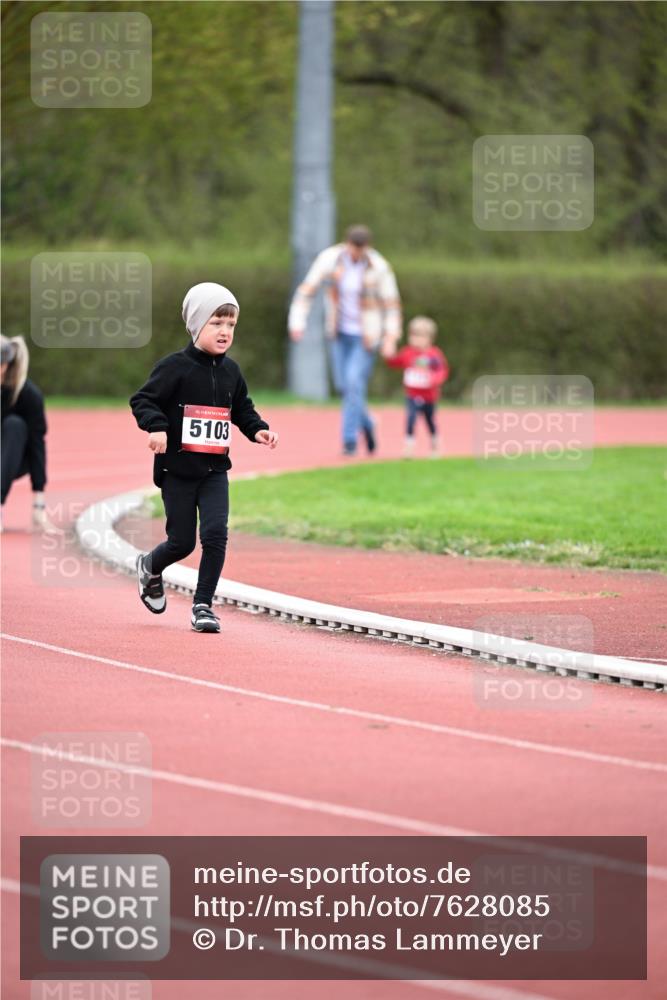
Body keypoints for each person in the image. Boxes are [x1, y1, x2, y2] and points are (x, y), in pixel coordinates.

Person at [129, 283, 279, 634]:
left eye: (231, 325)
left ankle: (203, 605)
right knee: (182, 542)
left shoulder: (231, 372)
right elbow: (143, 400)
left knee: (215, 535)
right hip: (177, 470)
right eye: (216, 323)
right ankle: (150, 566)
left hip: (214, 471)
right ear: (197, 324)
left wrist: (258, 429)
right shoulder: (174, 367)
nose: (225, 331)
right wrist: (157, 427)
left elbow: (241, 409)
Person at [288, 224, 402, 456]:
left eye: (361, 249)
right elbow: (307, 290)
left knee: (353, 383)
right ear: (346, 243)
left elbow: (391, 304)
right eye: (353, 248)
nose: (357, 253)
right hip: (338, 333)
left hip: (366, 336)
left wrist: (390, 337)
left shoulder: (379, 267)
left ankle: (349, 441)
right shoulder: (329, 259)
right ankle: (368, 423)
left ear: (368, 247)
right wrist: (297, 322)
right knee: (344, 387)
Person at [1, 334, 59, 533]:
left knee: (15, 425)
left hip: (12, 458)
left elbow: (37, 445)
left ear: (6, 365)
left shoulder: (28, 395)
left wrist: (39, 506)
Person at [383, 316, 449, 457]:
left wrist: (434, 379)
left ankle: (435, 443)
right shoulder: (407, 352)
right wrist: (388, 354)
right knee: (411, 419)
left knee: (430, 421)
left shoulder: (434, 355)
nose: (416, 340)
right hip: (412, 395)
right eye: (413, 335)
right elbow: (394, 362)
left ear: (430, 338)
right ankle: (409, 446)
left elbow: (442, 371)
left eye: (421, 336)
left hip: (429, 396)